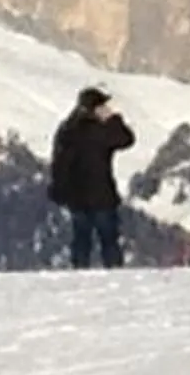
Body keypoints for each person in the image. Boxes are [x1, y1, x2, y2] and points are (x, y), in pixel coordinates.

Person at [47, 86, 135, 268]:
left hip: (76, 195)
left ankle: (80, 272)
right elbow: (126, 139)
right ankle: (114, 272)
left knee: (81, 239)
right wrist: (114, 120)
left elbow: (58, 163)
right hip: (102, 194)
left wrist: (58, 188)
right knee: (109, 240)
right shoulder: (101, 130)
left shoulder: (67, 129)